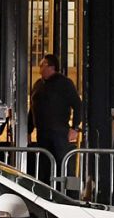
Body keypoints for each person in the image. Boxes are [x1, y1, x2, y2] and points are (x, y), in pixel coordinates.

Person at [28, 54, 81, 184]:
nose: (39, 68)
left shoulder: (65, 83)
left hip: (59, 132)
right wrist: (28, 129)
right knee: (44, 165)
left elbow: (78, 105)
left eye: (42, 65)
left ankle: (64, 192)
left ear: (51, 67)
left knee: (61, 163)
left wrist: (74, 127)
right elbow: (33, 108)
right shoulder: (38, 84)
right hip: (42, 132)